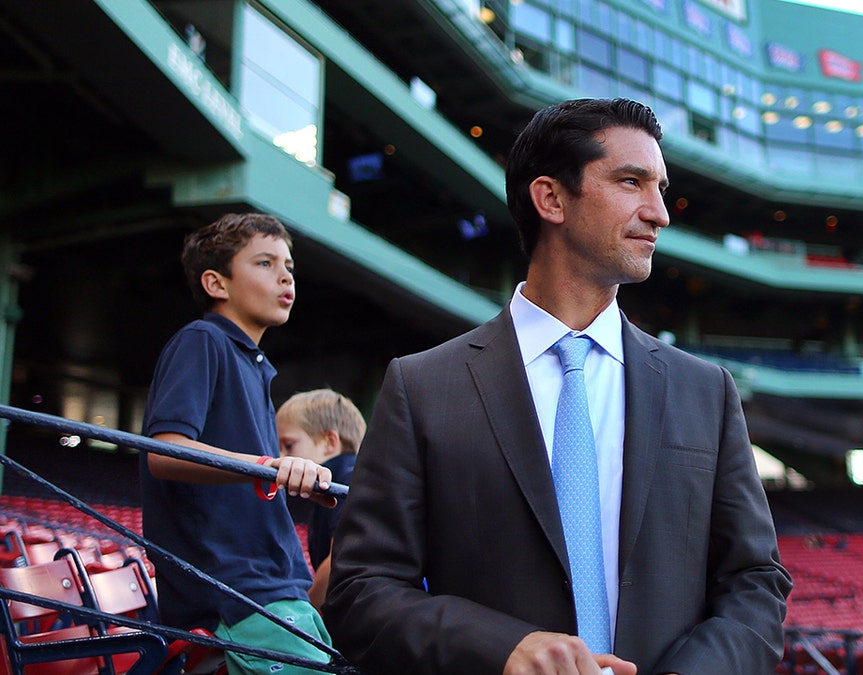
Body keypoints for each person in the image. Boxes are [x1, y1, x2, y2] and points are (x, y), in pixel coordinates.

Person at [323, 98, 792, 675]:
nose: (660, 213)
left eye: (660, 188)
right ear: (550, 199)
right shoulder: (422, 386)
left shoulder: (706, 391)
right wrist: (503, 649)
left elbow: (755, 581)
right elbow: (361, 591)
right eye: (631, 182)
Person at [140, 213, 336, 675]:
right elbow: (165, 452)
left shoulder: (254, 363)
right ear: (216, 283)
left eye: (288, 265)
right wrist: (270, 465)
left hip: (273, 586)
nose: (286, 275)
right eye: (265, 263)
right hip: (233, 594)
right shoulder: (203, 339)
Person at [276, 388, 366, 607]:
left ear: (330, 442)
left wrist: (309, 610)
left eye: (289, 446)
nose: (280, 458)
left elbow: (341, 554)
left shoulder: (347, 475)